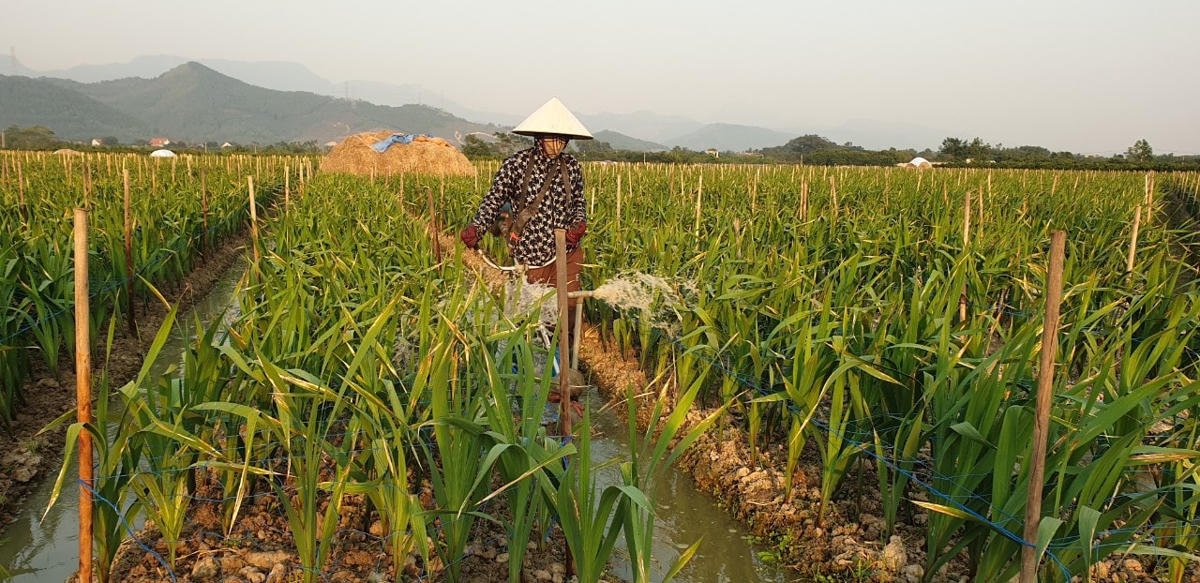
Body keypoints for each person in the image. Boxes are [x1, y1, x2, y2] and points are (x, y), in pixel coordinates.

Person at [460, 98, 592, 357]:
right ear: (538, 137)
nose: (557, 144)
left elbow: (579, 201)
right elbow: (494, 199)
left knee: (567, 314)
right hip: (532, 253)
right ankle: (528, 370)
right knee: (533, 316)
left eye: (562, 138)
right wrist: (477, 227)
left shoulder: (571, 166)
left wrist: (579, 223)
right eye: (552, 138)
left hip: (567, 251)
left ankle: (561, 381)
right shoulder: (517, 164)